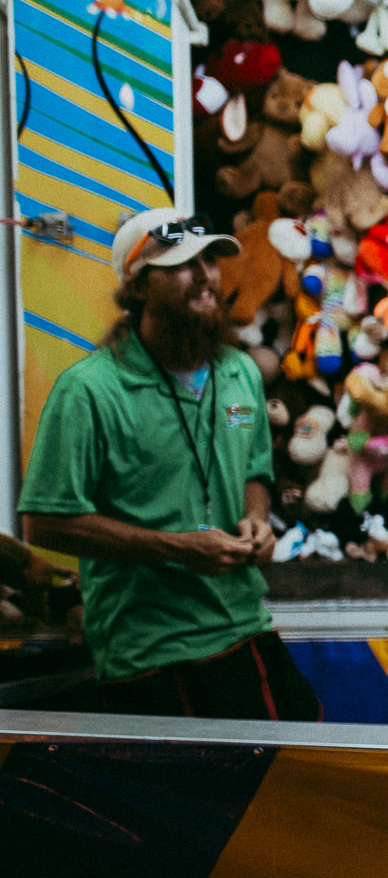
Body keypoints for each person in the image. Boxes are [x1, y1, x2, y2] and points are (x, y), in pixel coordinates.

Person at [18, 208, 321, 721]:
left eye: (211, 259)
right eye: (183, 263)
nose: (205, 274)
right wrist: (177, 549)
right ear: (138, 287)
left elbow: (253, 469)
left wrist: (256, 519)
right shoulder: (88, 390)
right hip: (150, 651)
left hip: (243, 624)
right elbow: (44, 522)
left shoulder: (240, 373)